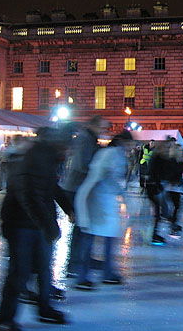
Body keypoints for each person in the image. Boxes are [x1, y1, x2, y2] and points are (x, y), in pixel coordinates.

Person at [0, 127, 74, 330]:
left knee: (43, 268)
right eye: (67, 145)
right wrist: (48, 226)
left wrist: (68, 208)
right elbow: (28, 195)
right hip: (21, 223)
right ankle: (4, 319)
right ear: (59, 143)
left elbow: (50, 187)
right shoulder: (36, 157)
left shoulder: (46, 157)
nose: (69, 151)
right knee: (19, 272)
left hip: (34, 223)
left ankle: (45, 309)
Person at [74, 131, 132, 290]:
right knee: (90, 237)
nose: (130, 147)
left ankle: (106, 272)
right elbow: (98, 175)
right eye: (129, 143)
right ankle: (83, 275)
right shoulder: (109, 154)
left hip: (106, 200)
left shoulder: (117, 154)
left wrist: (122, 194)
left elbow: (115, 179)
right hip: (96, 200)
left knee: (108, 237)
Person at [62, 116, 110, 276]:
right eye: (102, 128)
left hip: (79, 187)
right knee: (82, 226)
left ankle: (82, 258)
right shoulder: (85, 140)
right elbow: (82, 164)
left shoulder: (88, 139)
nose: (103, 131)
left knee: (84, 226)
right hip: (76, 187)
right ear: (94, 126)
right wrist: (99, 172)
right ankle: (75, 262)